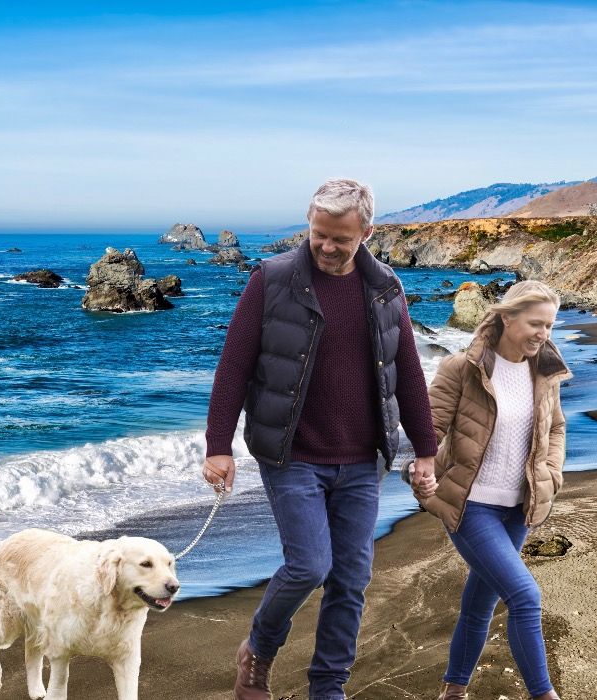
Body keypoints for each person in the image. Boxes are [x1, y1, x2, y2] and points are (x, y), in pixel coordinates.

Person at [201, 178, 437, 700]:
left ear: (366, 233)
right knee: (310, 564)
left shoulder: (386, 288)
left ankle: (328, 688)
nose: (327, 248)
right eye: (318, 235)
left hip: (361, 459)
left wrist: (426, 451)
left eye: (341, 239)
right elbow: (234, 365)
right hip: (292, 453)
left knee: (350, 580)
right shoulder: (271, 279)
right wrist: (219, 445)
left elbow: (409, 371)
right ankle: (258, 651)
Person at [410, 280, 570, 700]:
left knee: (480, 603)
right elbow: (430, 425)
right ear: (506, 318)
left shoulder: (545, 373)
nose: (543, 334)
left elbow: (555, 428)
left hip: (519, 507)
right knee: (524, 596)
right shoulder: (462, 368)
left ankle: (454, 691)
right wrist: (420, 466)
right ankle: (543, 695)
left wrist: (550, 474)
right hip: (470, 505)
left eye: (550, 326)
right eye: (536, 324)